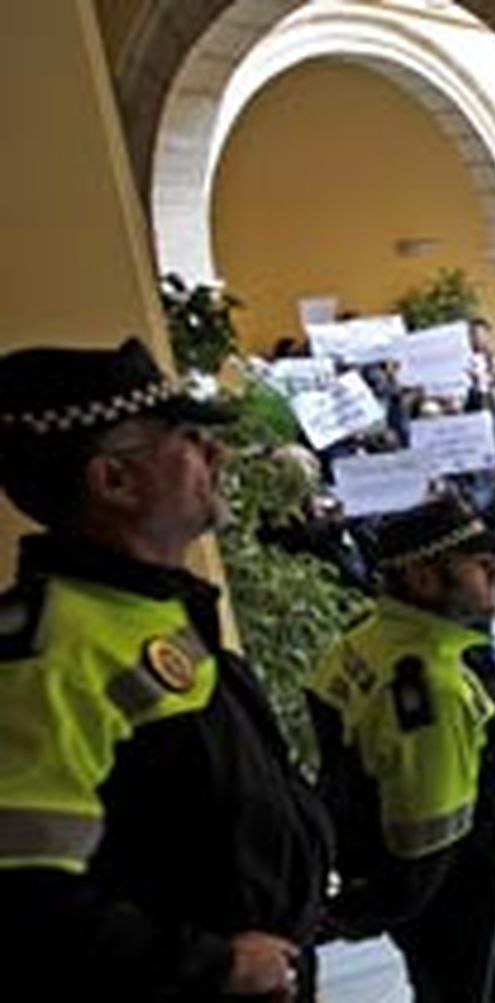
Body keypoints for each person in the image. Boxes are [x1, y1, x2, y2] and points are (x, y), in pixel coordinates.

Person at [0, 338, 330, 999]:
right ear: (113, 481)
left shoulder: (145, 607)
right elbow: (24, 899)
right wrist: (216, 965)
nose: (217, 454)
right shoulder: (47, 660)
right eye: (187, 438)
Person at [307, 497, 495, 1002]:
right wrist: (358, 914)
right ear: (423, 579)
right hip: (466, 910)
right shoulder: (435, 687)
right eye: (479, 565)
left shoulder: (363, 638)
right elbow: (429, 848)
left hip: (425, 916)